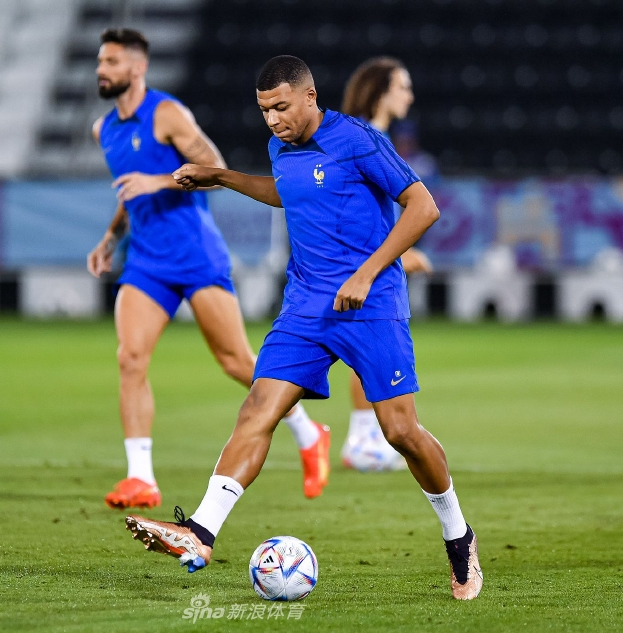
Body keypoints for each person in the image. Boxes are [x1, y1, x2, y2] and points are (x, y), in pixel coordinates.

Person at [123, 55, 482, 600]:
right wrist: (222, 177)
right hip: (306, 308)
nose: (273, 120)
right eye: (265, 110)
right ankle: (200, 531)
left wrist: (366, 272)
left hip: (371, 305)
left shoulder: (358, 139)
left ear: (311, 97)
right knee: (258, 408)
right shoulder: (281, 147)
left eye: (281, 107)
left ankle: (459, 535)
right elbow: (287, 191)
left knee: (400, 432)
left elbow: (423, 206)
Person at [87, 30, 330, 510]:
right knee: (130, 358)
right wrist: (111, 237)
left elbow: (214, 170)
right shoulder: (104, 129)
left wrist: (158, 180)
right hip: (147, 262)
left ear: (137, 67)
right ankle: (140, 478)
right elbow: (129, 191)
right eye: (100, 61)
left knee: (236, 361)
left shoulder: (166, 114)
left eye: (111, 61)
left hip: (197, 255)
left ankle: (308, 432)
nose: (101, 70)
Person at [339, 57, 434, 471]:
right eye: (402, 86)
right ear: (380, 92)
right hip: (356, 264)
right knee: (367, 345)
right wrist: (390, 256)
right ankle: (361, 440)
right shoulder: (362, 140)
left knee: (366, 347)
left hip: (364, 261)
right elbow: (352, 211)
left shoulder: (367, 137)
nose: (409, 95)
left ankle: (366, 437)